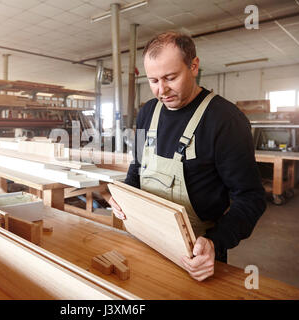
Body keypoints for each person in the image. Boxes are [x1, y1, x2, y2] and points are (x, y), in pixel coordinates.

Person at [109, 31, 266, 281]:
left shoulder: (225, 120)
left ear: (194, 66)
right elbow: (136, 168)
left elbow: (251, 198)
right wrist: (124, 195)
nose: (162, 90)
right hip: (145, 238)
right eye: (153, 80)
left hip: (196, 254)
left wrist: (215, 243)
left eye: (171, 78)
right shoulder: (146, 113)